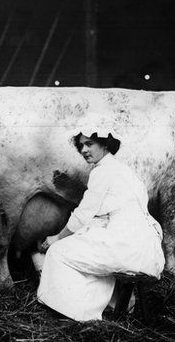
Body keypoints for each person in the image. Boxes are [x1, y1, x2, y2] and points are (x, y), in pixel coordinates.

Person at [36, 128, 164, 322]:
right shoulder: (124, 169)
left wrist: (56, 238)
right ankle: (110, 305)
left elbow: (83, 213)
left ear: (105, 144)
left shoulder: (102, 171)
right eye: (81, 146)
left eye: (89, 144)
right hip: (147, 245)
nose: (84, 150)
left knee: (58, 253)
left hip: (127, 244)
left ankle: (80, 314)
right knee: (86, 246)